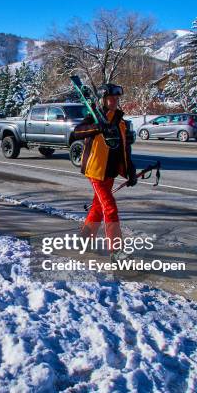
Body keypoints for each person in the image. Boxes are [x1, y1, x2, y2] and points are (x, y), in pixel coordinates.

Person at [73, 83, 137, 260]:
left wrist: (131, 171)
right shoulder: (94, 118)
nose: (114, 101)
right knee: (110, 208)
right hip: (96, 171)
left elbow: (125, 149)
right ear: (103, 99)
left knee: (98, 207)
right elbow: (77, 132)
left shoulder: (120, 121)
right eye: (111, 98)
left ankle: (83, 240)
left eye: (117, 98)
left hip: (110, 173)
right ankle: (116, 251)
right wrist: (99, 127)